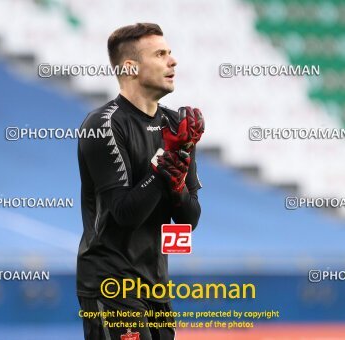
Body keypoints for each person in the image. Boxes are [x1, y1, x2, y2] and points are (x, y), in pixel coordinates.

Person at [76, 23, 205, 340]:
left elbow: (189, 220)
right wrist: (166, 164)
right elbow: (124, 213)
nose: (172, 61)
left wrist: (176, 187)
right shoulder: (102, 125)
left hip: (156, 283)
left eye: (170, 53)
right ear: (130, 67)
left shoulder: (177, 124)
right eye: (160, 54)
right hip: (110, 281)